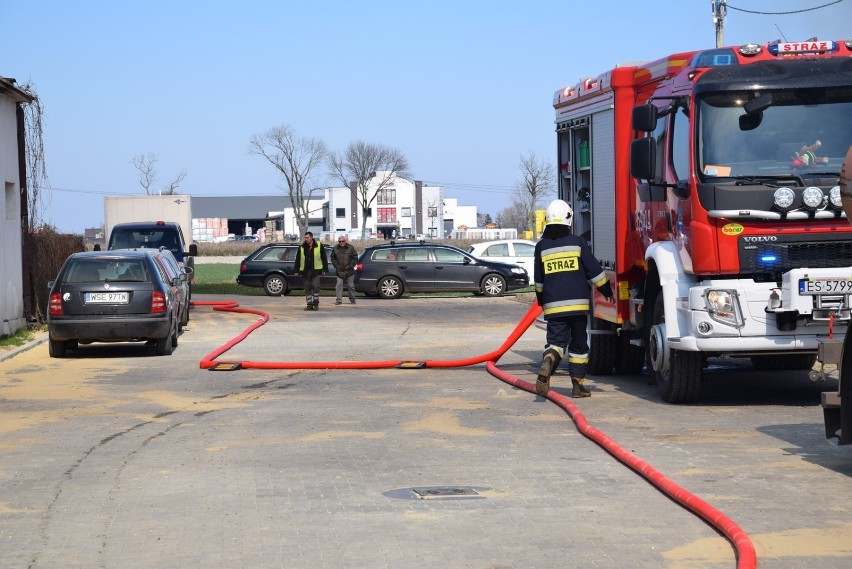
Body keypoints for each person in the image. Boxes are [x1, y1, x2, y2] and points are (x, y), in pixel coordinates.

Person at [534, 199, 614, 398]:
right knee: (579, 345)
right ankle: (578, 386)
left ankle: (550, 358)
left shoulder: (541, 247)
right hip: (578, 306)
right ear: (568, 220)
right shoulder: (578, 243)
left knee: (556, 343)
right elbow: (594, 271)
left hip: (554, 307)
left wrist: (542, 300)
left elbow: (539, 281)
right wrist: (607, 291)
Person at [294, 231, 327, 311]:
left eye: (307, 237)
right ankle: (309, 305)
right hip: (305, 272)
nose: (306, 239)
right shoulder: (302, 247)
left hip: (315, 271)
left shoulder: (319, 245)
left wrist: (325, 270)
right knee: (307, 288)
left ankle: (316, 304)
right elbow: (297, 259)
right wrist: (296, 270)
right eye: (305, 238)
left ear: (311, 237)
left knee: (316, 287)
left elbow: (324, 258)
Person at [331, 235, 358, 305]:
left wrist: (350, 266)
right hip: (339, 271)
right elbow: (332, 258)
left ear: (345, 241)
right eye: (339, 241)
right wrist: (336, 266)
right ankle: (339, 300)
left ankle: (352, 299)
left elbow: (355, 258)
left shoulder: (350, 248)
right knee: (338, 285)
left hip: (349, 271)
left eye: (342, 241)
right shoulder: (335, 248)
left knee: (351, 286)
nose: (341, 243)